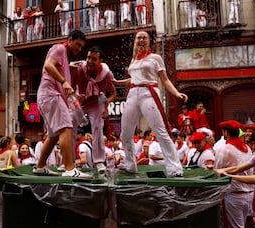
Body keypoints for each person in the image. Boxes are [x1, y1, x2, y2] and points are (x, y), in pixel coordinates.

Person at [116, 31, 187, 177]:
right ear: (135, 41)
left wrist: (176, 93)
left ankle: (175, 168)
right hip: (133, 94)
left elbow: (165, 79)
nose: (141, 39)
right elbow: (134, 78)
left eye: (144, 37)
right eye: (138, 37)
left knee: (160, 131)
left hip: (149, 93)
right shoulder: (134, 59)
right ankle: (130, 164)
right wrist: (118, 82)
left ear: (149, 41)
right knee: (125, 133)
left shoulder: (156, 58)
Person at [33, 30, 91, 178]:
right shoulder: (59, 48)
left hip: (48, 96)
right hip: (51, 95)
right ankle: (70, 169)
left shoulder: (64, 58)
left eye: (81, 47)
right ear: (70, 40)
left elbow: (58, 76)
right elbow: (48, 65)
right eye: (77, 44)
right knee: (66, 128)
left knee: (53, 136)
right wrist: (64, 81)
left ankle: (39, 167)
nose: (79, 49)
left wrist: (75, 95)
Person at [71, 45, 116, 175]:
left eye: (94, 59)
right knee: (70, 126)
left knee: (97, 128)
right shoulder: (79, 69)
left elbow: (113, 93)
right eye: (88, 57)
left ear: (100, 60)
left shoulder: (107, 74)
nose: (90, 61)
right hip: (80, 102)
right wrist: (77, 97)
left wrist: (107, 101)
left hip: (96, 103)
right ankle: (69, 161)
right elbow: (71, 88)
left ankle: (99, 161)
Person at [214, 120, 253, 228]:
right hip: (249, 193)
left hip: (233, 195)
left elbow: (218, 171)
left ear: (226, 132)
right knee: (243, 227)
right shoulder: (247, 148)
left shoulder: (224, 149)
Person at [0, 136, 19, 228]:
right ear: (8, 144)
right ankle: (11, 227)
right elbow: (17, 168)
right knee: (11, 206)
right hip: (9, 183)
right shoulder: (11, 153)